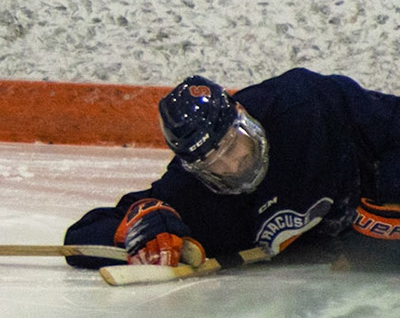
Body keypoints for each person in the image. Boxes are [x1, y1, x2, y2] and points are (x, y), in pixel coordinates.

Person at [64, 70, 400, 270]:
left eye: (231, 145)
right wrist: (143, 225)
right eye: (212, 163)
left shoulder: (307, 104)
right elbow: (80, 238)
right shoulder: (194, 192)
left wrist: (391, 185)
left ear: (243, 118)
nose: (232, 166)